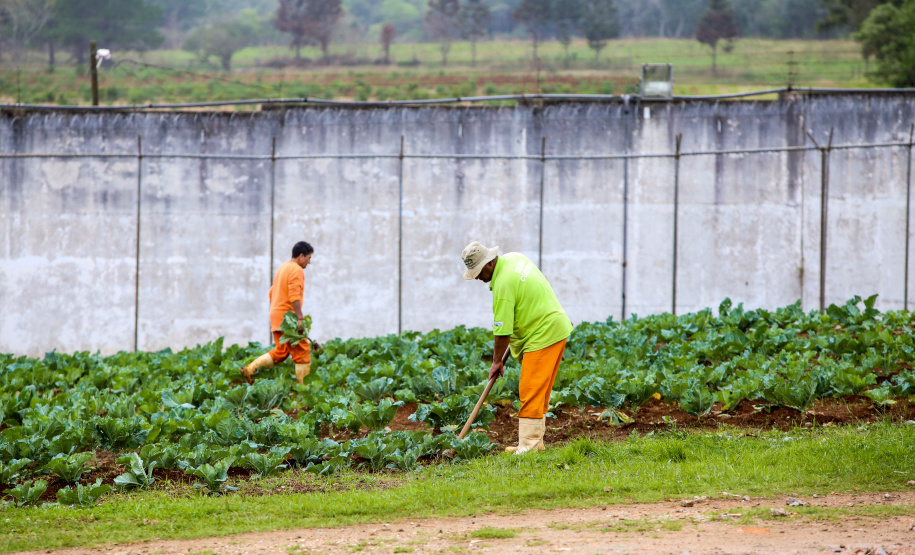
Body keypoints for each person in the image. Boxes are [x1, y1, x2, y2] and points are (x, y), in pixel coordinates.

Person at [461, 241, 573, 454]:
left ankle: (528, 447)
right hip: (555, 325)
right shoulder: (514, 258)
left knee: (530, 389)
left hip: (543, 334)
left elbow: (502, 331)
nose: (475, 277)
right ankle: (535, 443)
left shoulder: (503, 286)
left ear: (489, 264)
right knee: (539, 391)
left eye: (476, 271)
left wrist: (496, 361)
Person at [241, 241, 315, 385]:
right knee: (302, 351)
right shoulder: (297, 270)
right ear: (301, 256)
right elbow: (294, 296)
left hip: (276, 315)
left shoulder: (283, 268)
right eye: (308, 258)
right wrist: (299, 317)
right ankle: (304, 389)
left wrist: (277, 310)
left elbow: (271, 292)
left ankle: (251, 369)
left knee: (281, 352)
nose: (309, 262)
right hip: (287, 317)